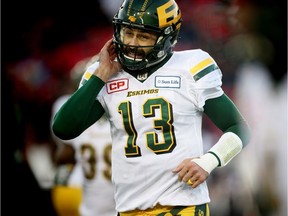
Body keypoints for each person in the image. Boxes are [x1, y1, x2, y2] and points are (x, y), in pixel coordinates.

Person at [52, 0, 251, 215]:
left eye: (144, 36)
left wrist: (209, 160)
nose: (132, 43)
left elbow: (238, 127)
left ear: (167, 38)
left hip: (181, 204)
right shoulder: (104, 74)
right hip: (129, 208)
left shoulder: (190, 67)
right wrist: (100, 76)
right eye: (128, 32)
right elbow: (64, 128)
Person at [50, 56, 116, 216]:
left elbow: (64, 155)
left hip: (79, 194)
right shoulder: (122, 112)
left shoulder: (64, 107)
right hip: (121, 197)